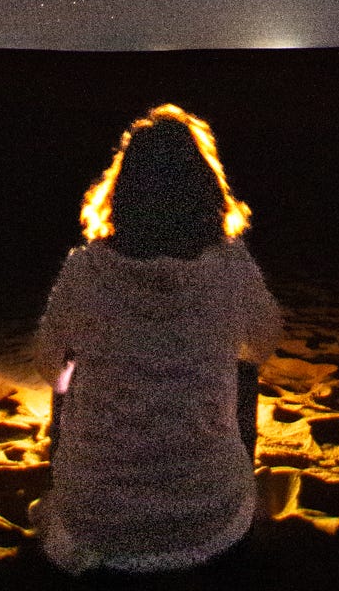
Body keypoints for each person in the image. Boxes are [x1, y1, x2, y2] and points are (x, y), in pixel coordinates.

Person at [33, 102, 283, 576]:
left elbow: (49, 363)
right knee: (244, 369)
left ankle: (77, 482)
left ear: (123, 189)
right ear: (205, 188)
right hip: (208, 522)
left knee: (68, 372)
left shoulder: (87, 269)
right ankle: (223, 486)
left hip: (98, 525)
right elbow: (264, 341)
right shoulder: (230, 266)